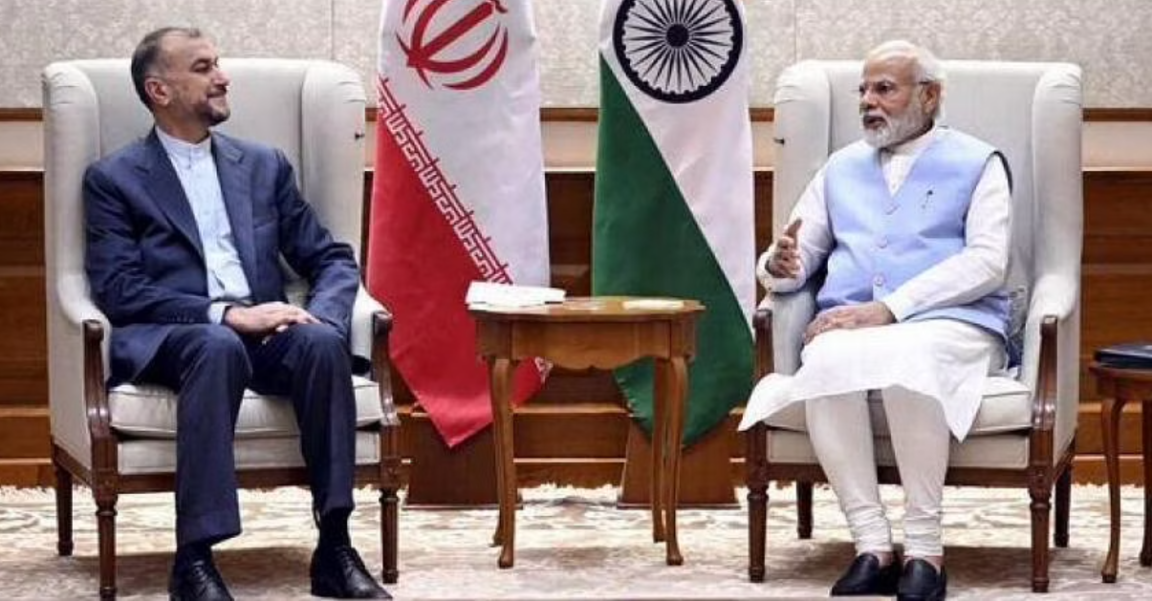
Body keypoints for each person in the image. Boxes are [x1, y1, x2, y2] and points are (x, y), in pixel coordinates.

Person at [83, 27, 390, 600]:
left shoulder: (263, 165)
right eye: (203, 68)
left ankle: (335, 546)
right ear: (159, 90)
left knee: (321, 344)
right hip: (176, 336)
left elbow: (330, 258)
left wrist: (322, 319)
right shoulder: (114, 179)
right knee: (217, 343)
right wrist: (223, 314)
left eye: (218, 64)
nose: (223, 78)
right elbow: (120, 290)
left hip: (264, 334)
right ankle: (194, 560)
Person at [741, 40, 1012, 601]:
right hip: (853, 325)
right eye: (863, 90)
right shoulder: (839, 169)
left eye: (884, 89)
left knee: (905, 358)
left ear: (929, 96)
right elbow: (795, 257)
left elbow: (988, 262)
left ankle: (925, 551)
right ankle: (871, 545)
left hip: (953, 324)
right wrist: (778, 266)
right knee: (826, 358)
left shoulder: (979, 162)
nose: (868, 101)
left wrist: (892, 309)